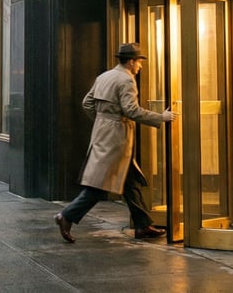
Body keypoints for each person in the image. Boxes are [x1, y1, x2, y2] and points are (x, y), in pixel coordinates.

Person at [54, 43, 175, 243]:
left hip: (103, 134)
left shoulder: (104, 76)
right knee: (99, 186)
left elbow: (87, 103)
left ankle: (143, 225)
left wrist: (103, 120)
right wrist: (161, 117)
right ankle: (66, 216)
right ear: (131, 61)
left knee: (131, 182)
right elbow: (132, 111)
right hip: (116, 139)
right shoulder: (127, 80)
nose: (140, 67)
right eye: (139, 62)